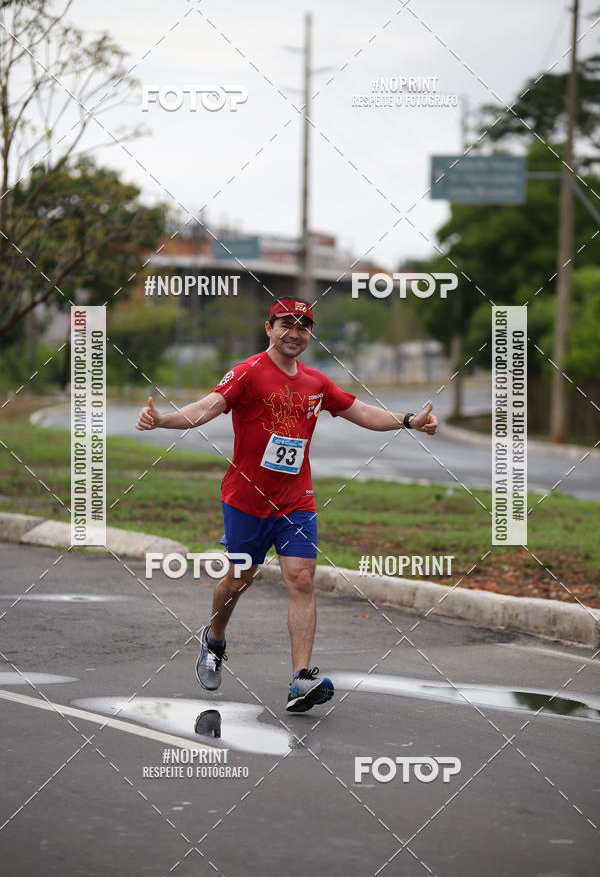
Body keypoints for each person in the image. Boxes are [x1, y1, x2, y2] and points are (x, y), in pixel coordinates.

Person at [136, 297, 437, 713]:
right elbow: (206, 408)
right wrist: (163, 420)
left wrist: (409, 420)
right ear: (269, 328)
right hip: (245, 499)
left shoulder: (316, 383)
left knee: (301, 578)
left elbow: (362, 411)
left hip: (296, 500)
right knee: (240, 579)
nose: (295, 333)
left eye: (304, 326)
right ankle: (215, 639)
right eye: (287, 325)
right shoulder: (247, 373)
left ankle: (300, 680)